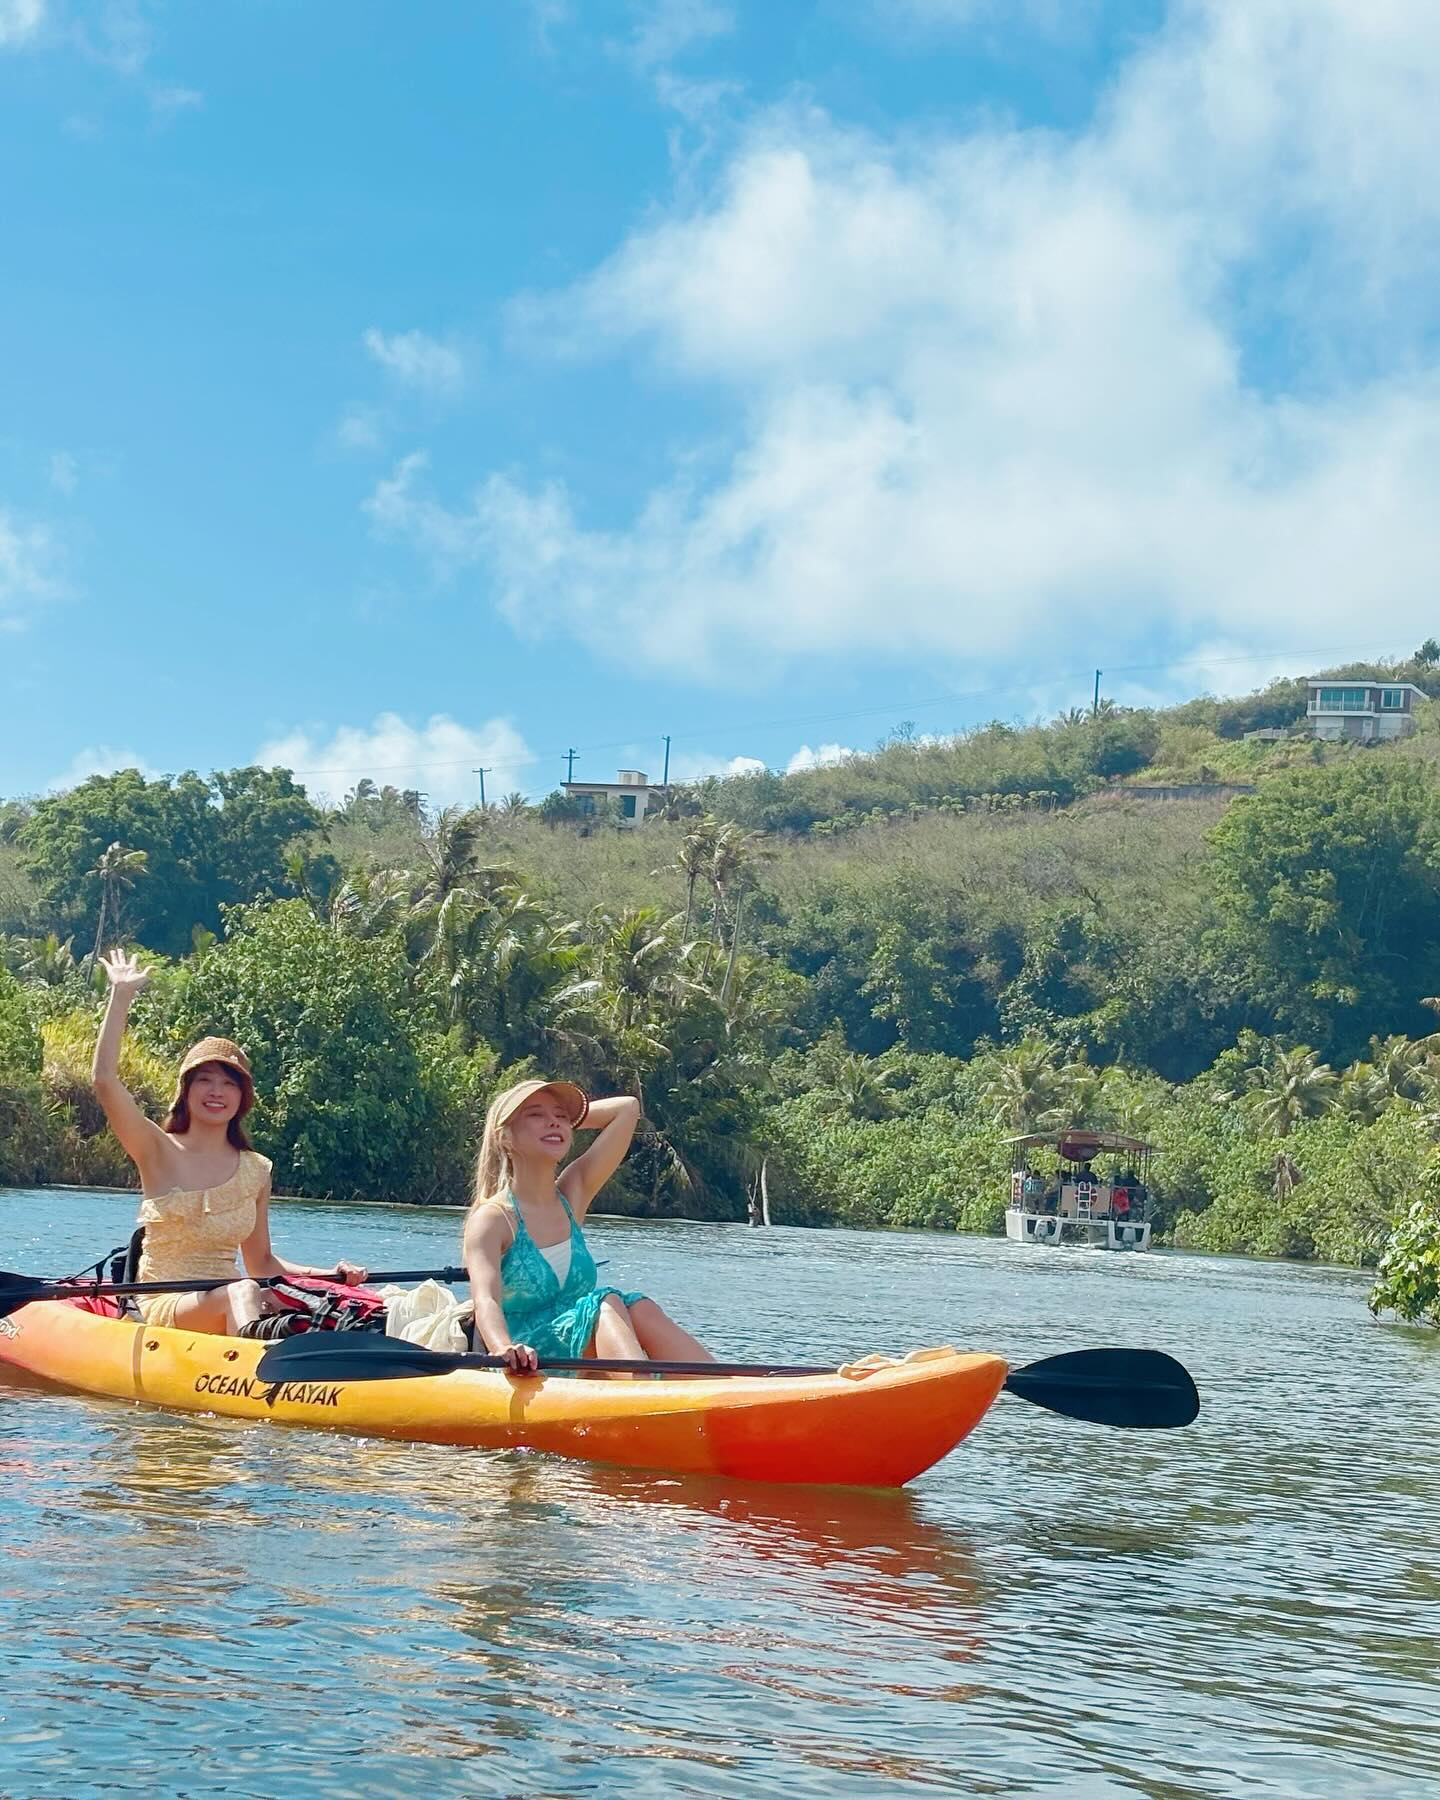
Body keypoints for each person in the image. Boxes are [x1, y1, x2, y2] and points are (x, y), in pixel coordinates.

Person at [92, 949, 367, 1337]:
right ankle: (256, 1372)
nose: (216, 1091)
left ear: (242, 1097)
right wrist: (120, 996)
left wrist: (330, 1275)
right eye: (204, 1080)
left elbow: (262, 1263)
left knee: (247, 1290)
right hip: (165, 1301)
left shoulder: (256, 1170)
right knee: (242, 1290)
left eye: (228, 1082)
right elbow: (104, 1081)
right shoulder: (157, 1149)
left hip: (234, 1298)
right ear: (186, 1091)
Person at [463, 1078, 712, 1374]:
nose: (553, 1122)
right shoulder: (492, 1219)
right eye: (536, 1114)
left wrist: (562, 1125)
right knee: (604, 1303)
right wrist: (504, 1348)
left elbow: (627, 1109)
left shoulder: (572, 1193)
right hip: (526, 1358)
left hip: (582, 1346)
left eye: (560, 1116)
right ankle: (640, 1400)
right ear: (504, 1137)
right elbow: (486, 1299)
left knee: (638, 1308)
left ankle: (731, 1390)